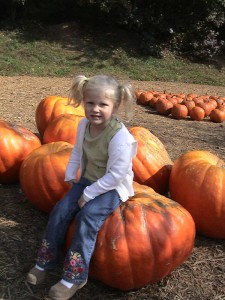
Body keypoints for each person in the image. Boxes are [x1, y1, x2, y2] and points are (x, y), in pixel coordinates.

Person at [26, 74, 137, 300]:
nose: (95, 109)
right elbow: (78, 151)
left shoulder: (121, 138)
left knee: (88, 216)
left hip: (112, 188)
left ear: (115, 106)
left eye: (103, 105)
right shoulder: (84, 124)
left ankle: (74, 277)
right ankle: (45, 261)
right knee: (61, 209)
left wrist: (88, 194)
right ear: (83, 101)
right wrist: (70, 174)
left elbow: (116, 176)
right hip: (88, 179)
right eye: (90, 103)